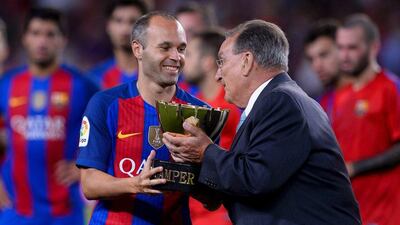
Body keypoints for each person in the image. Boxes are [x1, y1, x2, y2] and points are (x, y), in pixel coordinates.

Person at [163, 19, 361, 225]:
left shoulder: (282, 102)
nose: (217, 75)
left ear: (247, 61)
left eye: (221, 62)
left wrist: (205, 152)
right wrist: (185, 166)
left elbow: (254, 179)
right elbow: (240, 185)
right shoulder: (275, 102)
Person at [76, 12, 209, 225]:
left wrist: (195, 170)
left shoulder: (200, 113)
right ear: (138, 49)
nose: (176, 57)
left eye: (181, 49)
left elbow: (211, 198)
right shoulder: (105, 104)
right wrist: (135, 184)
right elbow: (89, 184)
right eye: (165, 47)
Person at [0, 7, 98, 225]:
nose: (42, 42)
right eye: (35, 33)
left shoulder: (83, 86)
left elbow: (110, 130)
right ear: (25, 38)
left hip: (65, 212)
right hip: (14, 211)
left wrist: (85, 166)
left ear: (63, 39)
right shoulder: (6, 85)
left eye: (50, 34)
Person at [334, 14, 400, 225]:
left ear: (373, 48)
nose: (344, 55)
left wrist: (356, 167)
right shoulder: (341, 97)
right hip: (352, 213)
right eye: (341, 47)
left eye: (352, 48)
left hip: (385, 214)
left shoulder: (390, 89)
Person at [183, 29, 240, 225]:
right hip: (191, 210)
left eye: (189, 54)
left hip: (220, 212)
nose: (183, 60)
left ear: (207, 62)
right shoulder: (193, 103)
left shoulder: (231, 108)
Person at [89, 0, 148, 89]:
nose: (125, 29)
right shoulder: (94, 78)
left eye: (132, 21)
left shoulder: (158, 75)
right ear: (108, 26)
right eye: (118, 21)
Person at [303, 19, 350, 119]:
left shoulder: (382, 91)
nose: (316, 66)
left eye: (324, 55)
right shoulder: (318, 107)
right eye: (311, 59)